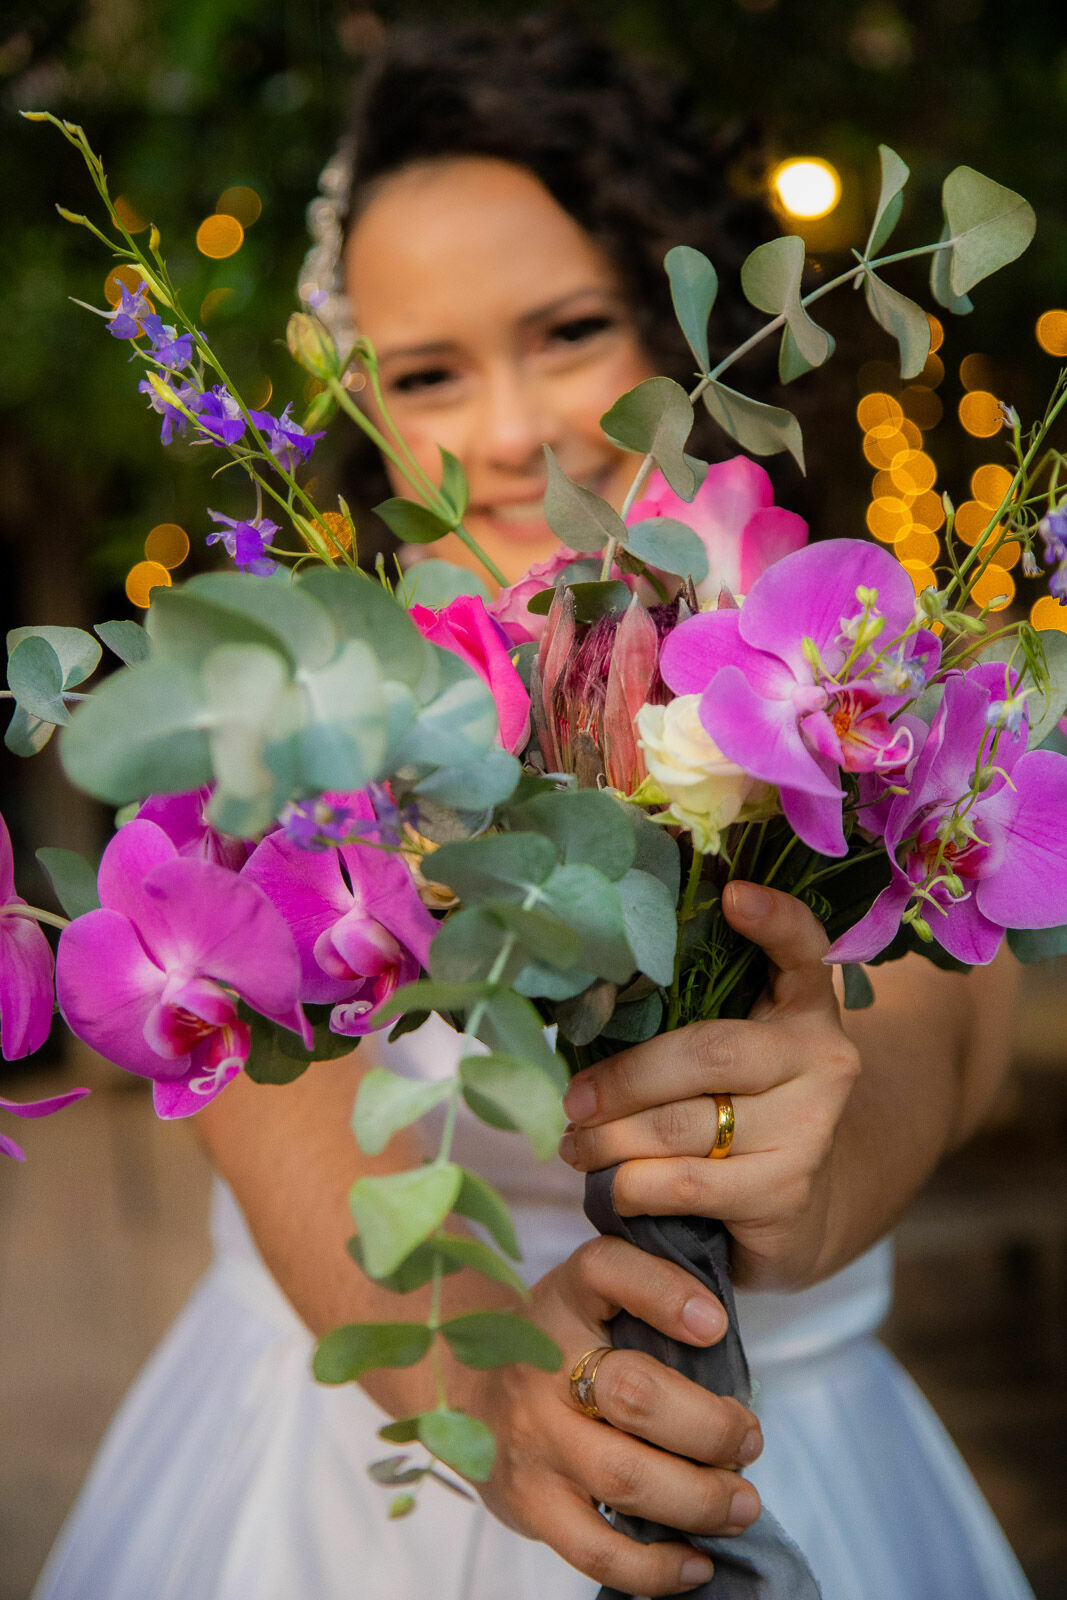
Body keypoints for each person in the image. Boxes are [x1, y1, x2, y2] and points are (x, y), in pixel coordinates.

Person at [34, 18, 1034, 1600]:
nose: (510, 435)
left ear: (677, 308)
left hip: (784, 1443)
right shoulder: (283, 696)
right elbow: (262, 1087)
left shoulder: (845, 655)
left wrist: (819, 1165)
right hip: (351, 1490)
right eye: (428, 371)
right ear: (357, 397)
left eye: (568, 332)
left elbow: (955, 1015)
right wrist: (460, 1376)